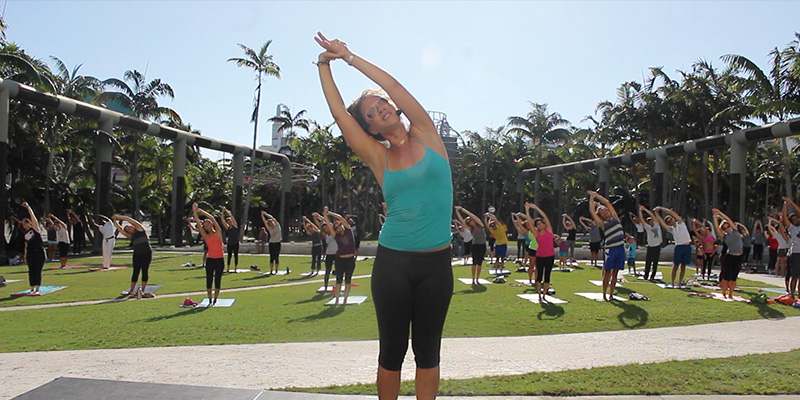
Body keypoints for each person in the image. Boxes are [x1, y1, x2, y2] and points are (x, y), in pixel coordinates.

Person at [316, 32, 453, 399]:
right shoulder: (380, 157)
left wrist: (348, 57)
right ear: (372, 129)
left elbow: (392, 83)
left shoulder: (427, 134)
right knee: (391, 353)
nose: (379, 111)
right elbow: (339, 115)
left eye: (381, 104)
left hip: (437, 265)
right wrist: (323, 64)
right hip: (393, 262)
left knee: (428, 352)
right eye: (371, 114)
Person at [588, 191, 625, 301]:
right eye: (602, 212)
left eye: (605, 211)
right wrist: (591, 199)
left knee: (616, 273)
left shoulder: (615, 218)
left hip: (620, 248)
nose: (605, 213)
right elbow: (592, 212)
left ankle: (611, 294)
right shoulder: (602, 224)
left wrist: (598, 196)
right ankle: (604, 293)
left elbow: (608, 203)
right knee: (607, 272)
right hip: (610, 249)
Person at [111, 214, 152, 298]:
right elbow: (121, 230)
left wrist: (118, 217)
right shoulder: (131, 236)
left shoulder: (140, 229)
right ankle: (131, 290)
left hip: (146, 253)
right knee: (135, 271)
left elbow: (129, 219)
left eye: (130, 227)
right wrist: (115, 221)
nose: (129, 228)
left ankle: (142, 291)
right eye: (127, 229)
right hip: (137, 254)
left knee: (144, 271)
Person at [652, 207, 692, 288]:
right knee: (676, 265)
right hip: (679, 247)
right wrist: (656, 213)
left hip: (687, 246)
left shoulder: (681, 223)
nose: (671, 221)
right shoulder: (671, 229)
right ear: (669, 223)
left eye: (671, 219)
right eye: (669, 221)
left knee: (683, 266)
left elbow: (672, 212)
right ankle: (673, 282)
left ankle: (680, 282)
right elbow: (662, 223)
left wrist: (661, 208)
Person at [193, 204, 224, 305]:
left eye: (208, 225)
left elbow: (212, 218)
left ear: (211, 224)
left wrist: (201, 211)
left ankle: (215, 298)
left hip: (219, 259)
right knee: (209, 279)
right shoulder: (206, 236)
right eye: (205, 226)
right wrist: (194, 211)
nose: (206, 227)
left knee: (218, 279)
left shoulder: (218, 232)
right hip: (210, 259)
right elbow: (197, 222)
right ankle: (210, 298)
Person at [323, 209, 357, 303]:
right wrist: (325, 215)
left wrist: (329, 213)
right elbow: (329, 225)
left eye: (339, 225)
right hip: (340, 259)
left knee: (348, 280)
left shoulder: (348, 231)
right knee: (339, 280)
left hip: (350, 259)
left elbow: (340, 218)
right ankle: (337, 298)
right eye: (336, 227)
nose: (338, 228)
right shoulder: (336, 236)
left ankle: (345, 299)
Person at [525, 203, 555, 302]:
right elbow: (529, 221)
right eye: (538, 224)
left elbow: (545, 216)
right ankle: (539, 293)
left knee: (547, 275)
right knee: (539, 275)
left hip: (550, 256)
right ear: (536, 226)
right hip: (540, 256)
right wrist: (527, 210)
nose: (540, 225)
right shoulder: (536, 233)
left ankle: (545, 293)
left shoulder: (549, 230)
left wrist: (536, 208)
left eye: (541, 223)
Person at [711, 209, 744, 299]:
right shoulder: (724, 236)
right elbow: (717, 228)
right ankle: (724, 293)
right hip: (730, 256)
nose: (727, 228)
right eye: (725, 228)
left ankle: (730, 294)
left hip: (739, 256)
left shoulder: (735, 231)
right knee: (727, 277)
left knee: (734, 277)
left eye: (728, 226)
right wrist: (715, 218)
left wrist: (720, 213)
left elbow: (728, 219)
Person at [455, 206, 487, 285]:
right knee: (474, 263)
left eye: (471, 220)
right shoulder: (471, 229)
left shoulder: (480, 225)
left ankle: (477, 279)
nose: (470, 222)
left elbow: (472, 215)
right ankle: (473, 279)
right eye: (469, 221)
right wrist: (457, 212)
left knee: (480, 263)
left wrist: (462, 209)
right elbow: (462, 221)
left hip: (482, 245)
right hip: (475, 245)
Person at [19, 202, 45, 294]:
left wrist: (28, 207)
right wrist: (25, 256)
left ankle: (37, 288)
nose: (23, 225)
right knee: (31, 271)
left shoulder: (35, 229)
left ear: (28, 223)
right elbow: (26, 245)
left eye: (24, 223)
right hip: (30, 253)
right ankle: (32, 287)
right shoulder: (25, 234)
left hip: (39, 252)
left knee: (37, 270)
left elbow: (34, 218)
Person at [313, 211, 337, 292]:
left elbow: (329, 223)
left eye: (326, 227)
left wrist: (320, 216)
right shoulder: (326, 235)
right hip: (329, 254)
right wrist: (315, 218)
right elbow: (319, 226)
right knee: (327, 271)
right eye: (324, 228)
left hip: (337, 254)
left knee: (338, 271)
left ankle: (338, 285)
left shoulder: (334, 233)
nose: (326, 228)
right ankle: (326, 286)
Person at [781, 197, 800, 297]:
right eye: (793, 219)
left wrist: (791, 203)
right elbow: (784, 217)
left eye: (797, 218)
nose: (796, 220)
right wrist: (785, 205)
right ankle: (792, 294)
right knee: (795, 276)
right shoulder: (792, 228)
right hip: (796, 253)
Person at [638, 206, 663, 280]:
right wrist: (640, 211)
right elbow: (642, 219)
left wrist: (645, 209)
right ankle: (646, 275)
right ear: (648, 223)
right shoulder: (648, 228)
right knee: (648, 262)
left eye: (652, 221)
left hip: (657, 246)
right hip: (650, 246)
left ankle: (653, 276)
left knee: (655, 262)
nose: (652, 222)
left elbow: (652, 215)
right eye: (650, 222)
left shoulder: (657, 225)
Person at [219, 207, 239, 273]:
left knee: (236, 255)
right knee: (229, 256)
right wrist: (222, 212)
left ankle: (235, 269)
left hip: (236, 242)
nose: (230, 222)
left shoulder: (235, 226)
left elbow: (232, 217)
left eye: (231, 221)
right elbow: (222, 220)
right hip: (230, 243)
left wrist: (227, 211)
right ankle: (228, 268)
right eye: (229, 221)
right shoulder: (228, 228)